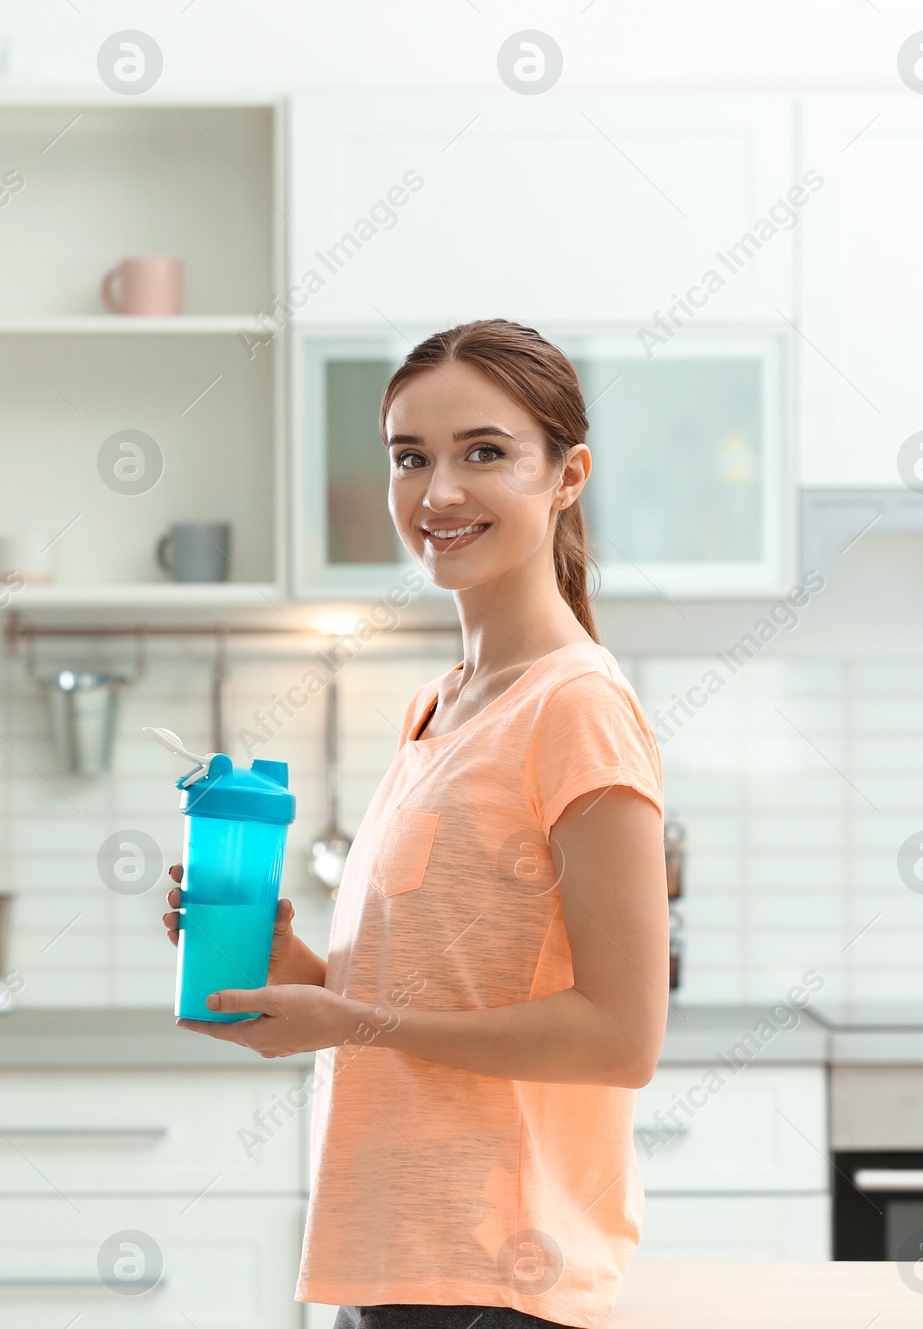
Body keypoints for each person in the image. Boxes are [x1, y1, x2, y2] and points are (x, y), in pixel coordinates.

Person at [163, 319, 669, 1328]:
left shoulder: (573, 708)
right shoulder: (440, 707)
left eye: (484, 453)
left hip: (495, 1280)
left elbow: (622, 1038)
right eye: (411, 458)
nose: (438, 493)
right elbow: (424, 1000)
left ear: (565, 476)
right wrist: (297, 970)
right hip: (391, 1262)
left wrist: (351, 1021)